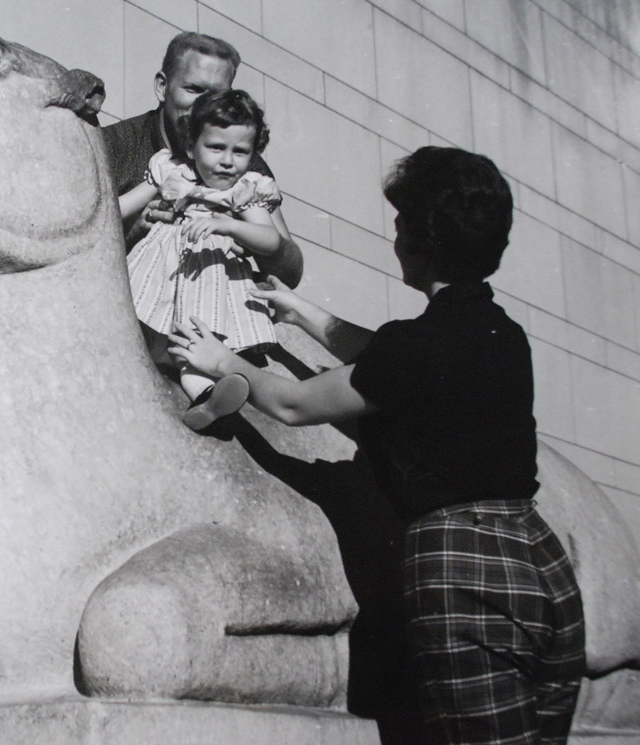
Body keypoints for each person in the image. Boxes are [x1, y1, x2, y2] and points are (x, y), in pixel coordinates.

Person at [169, 146, 586, 744]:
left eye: (399, 226)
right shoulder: (497, 332)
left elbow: (293, 405)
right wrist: (299, 311)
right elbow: (388, 358)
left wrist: (221, 358)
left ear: (418, 240)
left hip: (462, 561)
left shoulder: (417, 348)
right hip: (538, 559)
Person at [120, 90, 284, 431]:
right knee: (129, 316)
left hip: (208, 277)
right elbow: (124, 205)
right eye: (216, 147)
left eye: (240, 151)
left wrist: (229, 224)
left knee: (191, 346)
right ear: (192, 144)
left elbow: (271, 240)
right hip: (160, 267)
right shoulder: (172, 170)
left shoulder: (246, 190)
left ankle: (209, 397)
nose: (228, 161)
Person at [101, 31, 303, 287]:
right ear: (163, 87)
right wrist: (134, 230)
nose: (202, 105)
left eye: (216, 95)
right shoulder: (113, 146)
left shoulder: (242, 165)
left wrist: (244, 235)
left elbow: (290, 273)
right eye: (193, 89)